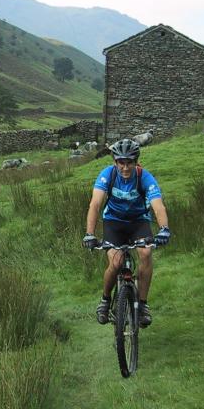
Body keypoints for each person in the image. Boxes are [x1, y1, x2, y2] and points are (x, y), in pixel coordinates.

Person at [82, 138, 170, 327]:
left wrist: (164, 229)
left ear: (136, 161)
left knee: (145, 253)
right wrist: (90, 233)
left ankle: (143, 305)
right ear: (115, 162)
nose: (125, 167)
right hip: (113, 222)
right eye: (121, 162)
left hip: (138, 222)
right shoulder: (107, 175)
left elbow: (158, 206)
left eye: (129, 162)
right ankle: (105, 300)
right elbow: (95, 204)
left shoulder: (144, 177)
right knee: (116, 262)